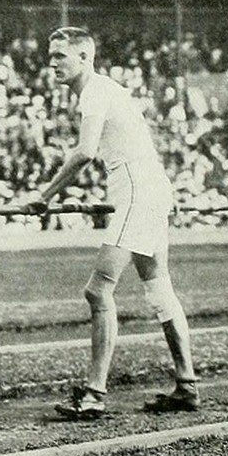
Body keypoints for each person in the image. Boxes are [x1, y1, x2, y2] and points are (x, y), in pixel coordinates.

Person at [26, 27, 200, 419]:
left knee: (97, 290)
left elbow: (86, 152)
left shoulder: (95, 91)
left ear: (85, 56)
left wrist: (44, 195)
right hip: (147, 188)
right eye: (50, 55)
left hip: (139, 190)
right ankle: (186, 386)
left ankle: (93, 394)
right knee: (158, 290)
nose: (52, 63)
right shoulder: (104, 90)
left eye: (61, 56)